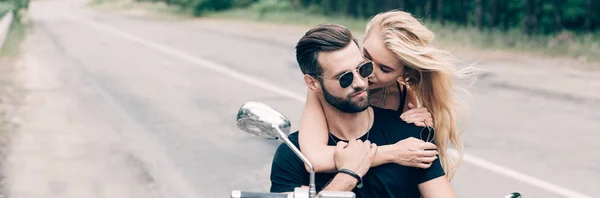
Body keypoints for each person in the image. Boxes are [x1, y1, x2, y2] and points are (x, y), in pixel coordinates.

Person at [269, 23, 456, 198]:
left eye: (363, 68)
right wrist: (348, 175)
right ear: (313, 83)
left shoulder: (410, 135)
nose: (360, 82)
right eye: (344, 77)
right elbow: (315, 159)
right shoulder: (292, 155)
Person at [298, 10, 475, 179]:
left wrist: (425, 125)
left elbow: (413, 160)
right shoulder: (326, 87)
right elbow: (314, 158)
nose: (368, 72)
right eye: (366, 56)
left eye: (385, 69)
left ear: (405, 74)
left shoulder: (402, 97)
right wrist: (393, 153)